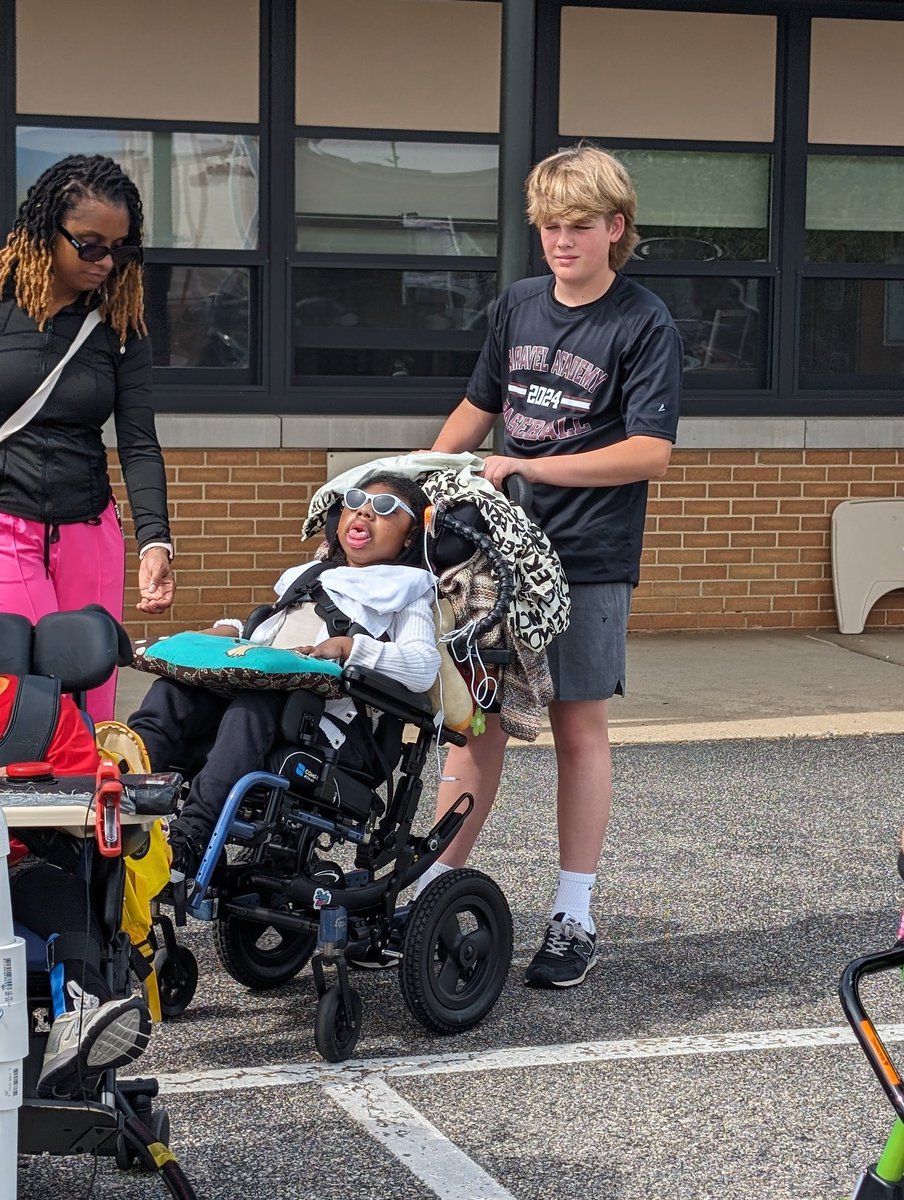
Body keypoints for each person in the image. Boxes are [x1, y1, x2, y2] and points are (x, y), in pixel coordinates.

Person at [423, 143, 682, 988]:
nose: (561, 241)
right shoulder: (518, 306)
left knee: (577, 726)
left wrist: (529, 468)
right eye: (548, 227)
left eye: (578, 226)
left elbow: (648, 453)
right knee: (475, 718)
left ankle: (573, 913)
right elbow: (481, 404)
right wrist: (426, 477)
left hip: (588, 556)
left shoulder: (643, 323)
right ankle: (433, 885)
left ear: (616, 228)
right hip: (495, 547)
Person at [128, 473, 441, 874]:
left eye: (384, 509)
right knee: (173, 692)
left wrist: (351, 648)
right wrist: (229, 632)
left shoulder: (407, 592)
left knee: (257, 701)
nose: (364, 511)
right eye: (356, 501)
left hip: (326, 732)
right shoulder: (312, 576)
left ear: (411, 537)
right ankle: (126, 804)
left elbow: (422, 666)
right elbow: (266, 636)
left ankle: (191, 835)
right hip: (260, 708)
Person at [0, 154, 175, 722]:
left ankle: (83, 811)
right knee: (30, 689)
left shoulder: (119, 326)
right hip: (7, 525)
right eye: (91, 245)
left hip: (89, 530)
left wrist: (155, 543)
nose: (106, 263)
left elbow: (139, 442)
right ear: (45, 232)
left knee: (93, 697)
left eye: (121, 249)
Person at [3, 674, 151, 1099]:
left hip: (21, 863)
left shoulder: (40, 710)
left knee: (68, 904)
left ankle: (81, 1016)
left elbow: (84, 795)